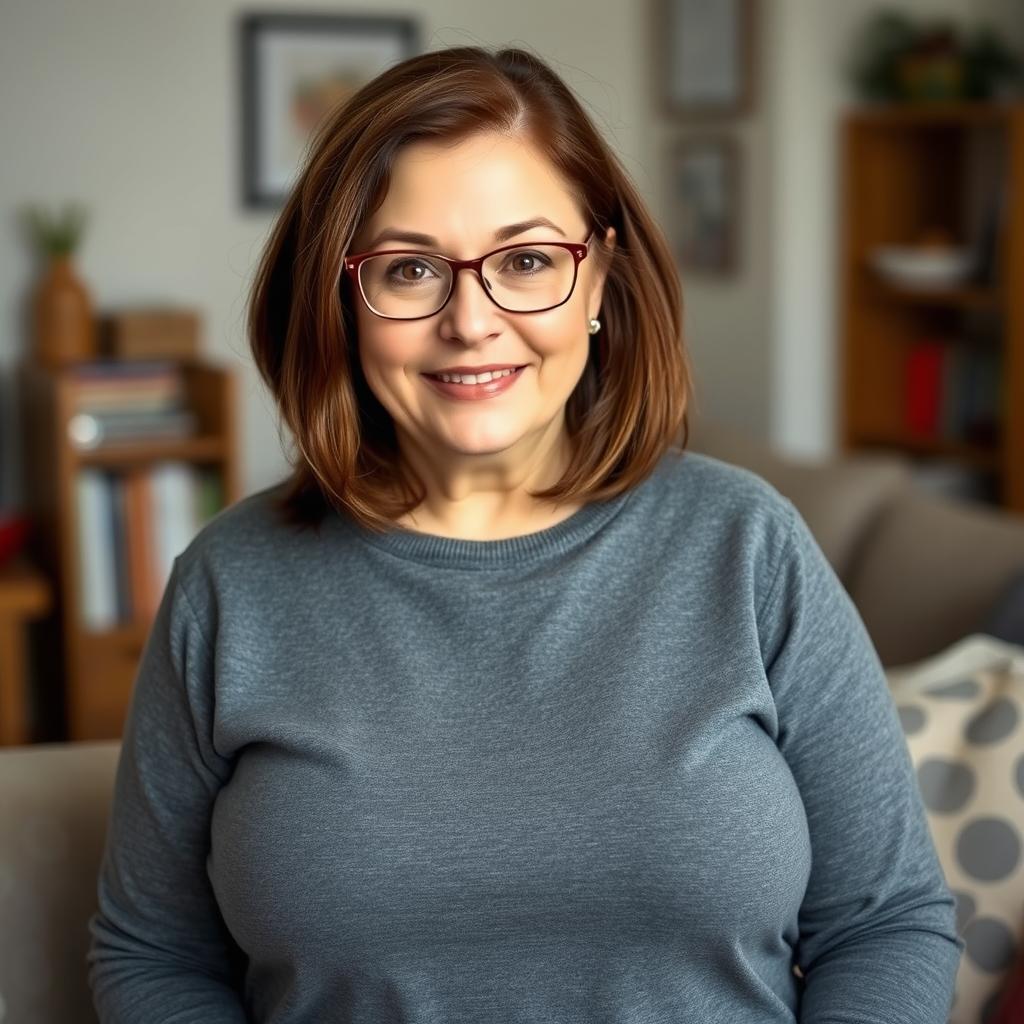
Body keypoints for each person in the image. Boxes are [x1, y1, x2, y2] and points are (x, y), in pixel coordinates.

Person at [86, 45, 964, 1023]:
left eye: (527, 260)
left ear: (599, 282)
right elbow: (151, 953)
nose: (472, 319)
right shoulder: (230, 583)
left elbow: (885, 921)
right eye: (410, 267)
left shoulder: (748, 547)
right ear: (341, 301)